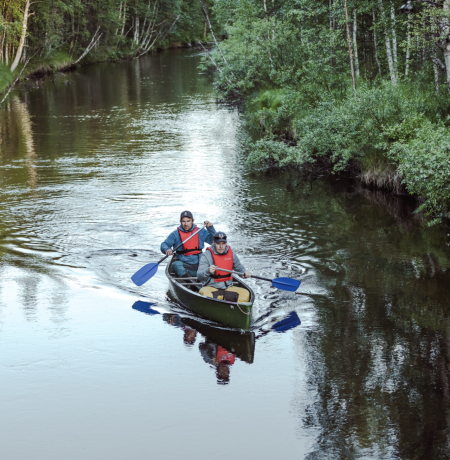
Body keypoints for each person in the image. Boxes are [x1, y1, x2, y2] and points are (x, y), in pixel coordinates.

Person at [197, 231, 251, 302]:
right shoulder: (206, 255)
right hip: (211, 288)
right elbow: (199, 276)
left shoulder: (231, 253)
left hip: (228, 288)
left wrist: (244, 272)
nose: (221, 246)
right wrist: (208, 271)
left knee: (245, 293)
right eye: (218, 243)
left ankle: (236, 308)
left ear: (226, 243)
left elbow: (239, 267)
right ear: (213, 242)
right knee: (205, 294)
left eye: (223, 243)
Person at [161, 210, 215, 278]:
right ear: (180, 222)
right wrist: (167, 249)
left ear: (192, 221)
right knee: (175, 265)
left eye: (188, 221)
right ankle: (190, 281)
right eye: (183, 221)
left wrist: (211, 228)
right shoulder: (175, 234)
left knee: (213, 262)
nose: (186, 224)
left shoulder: (200, 231)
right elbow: (164, 244)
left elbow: (214, 241)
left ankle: (206, 279)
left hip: (199, 264)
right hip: (184, 265)